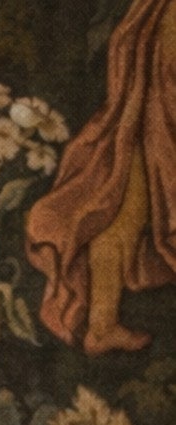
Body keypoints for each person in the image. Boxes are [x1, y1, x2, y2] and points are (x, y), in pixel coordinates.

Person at [26, 0, 176, 355]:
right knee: (121, 200)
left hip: (151, 82)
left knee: (122, 202)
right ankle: (101, 325)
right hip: (157, 90)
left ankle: (101, 325)